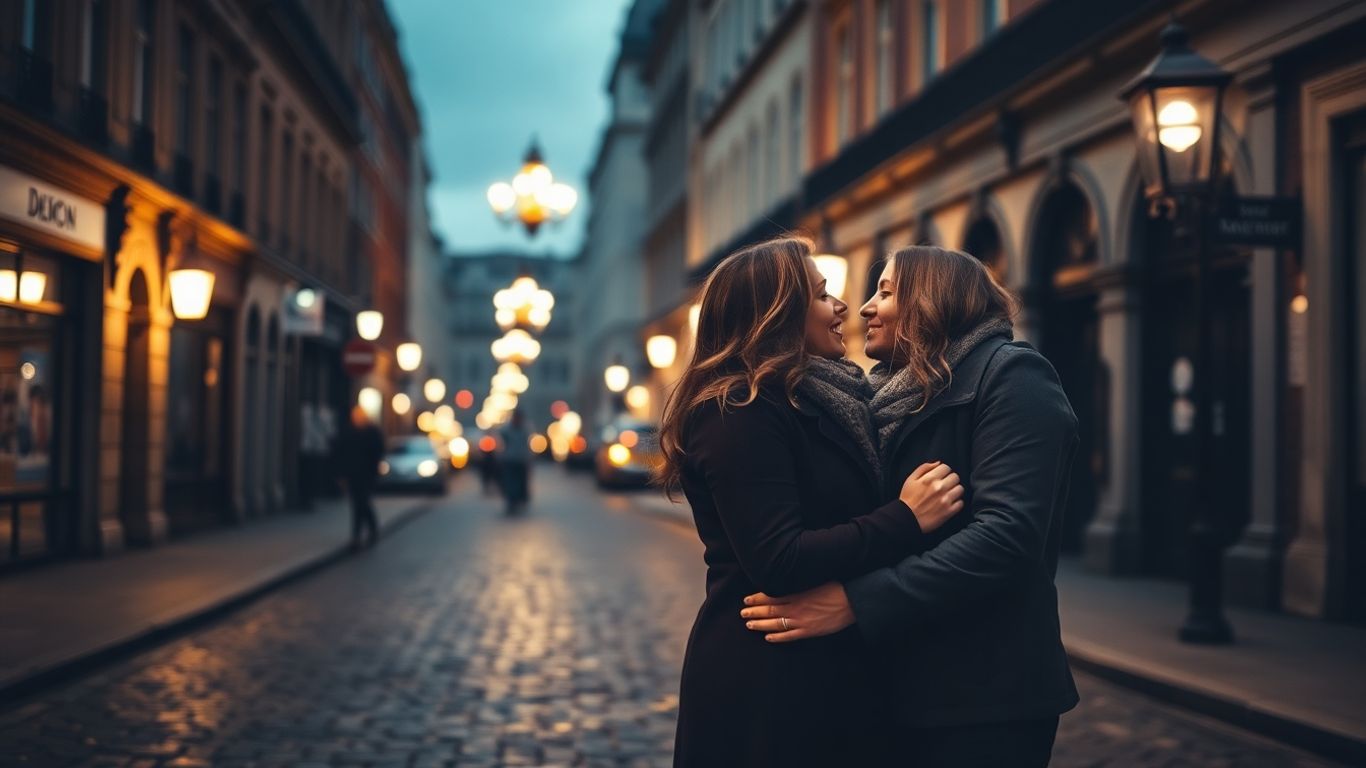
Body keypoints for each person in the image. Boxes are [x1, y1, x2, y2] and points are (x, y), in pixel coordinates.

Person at [741, 246, 1080, 767]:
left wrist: (856, 601)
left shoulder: (1013, 376)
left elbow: (1007, 535)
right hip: (892, 685)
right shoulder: (879, 398)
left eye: (886, 291)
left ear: (932, 300)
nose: (865, 309)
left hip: (983, 694)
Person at [659, 237, 966, 767]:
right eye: (823, 296)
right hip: (769, 684)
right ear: (777, 313)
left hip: (826, 671)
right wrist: (906, 517)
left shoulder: (817, 398)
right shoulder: (739, 410)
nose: (843, 307)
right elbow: (779, 559)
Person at [337, 405, 385, 549]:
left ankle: (359, 534)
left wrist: (374, 470)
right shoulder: (350, 432)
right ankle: (369, 530)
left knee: (361, 502)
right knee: (358, 503)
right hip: (353, 474)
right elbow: (342, 454)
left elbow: (378, 452)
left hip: (366, 474)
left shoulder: (372, 432)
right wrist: (342, 474)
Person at [497, 409, 532, 514]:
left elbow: (528, 445)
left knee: (521, 482)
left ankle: (519, 499)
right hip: (509, 460)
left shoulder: (525, 429)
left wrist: (528, 458)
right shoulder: (506, 430)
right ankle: (511, 501)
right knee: (510, 482)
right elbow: (501, 442)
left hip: (521, 460)